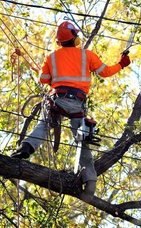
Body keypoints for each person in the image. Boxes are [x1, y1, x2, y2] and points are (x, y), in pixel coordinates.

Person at [11, 21, 131, 202]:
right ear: (75, 37)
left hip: (56, 100)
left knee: (43, 126)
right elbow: (105, 72)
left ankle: (25, 150)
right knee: (81, 139)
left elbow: (43, 80)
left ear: (59, 41)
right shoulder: (87, 55)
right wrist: (122, 64)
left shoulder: (51, 57)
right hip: (77, 103)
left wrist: (49, 75)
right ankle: (90, 180)